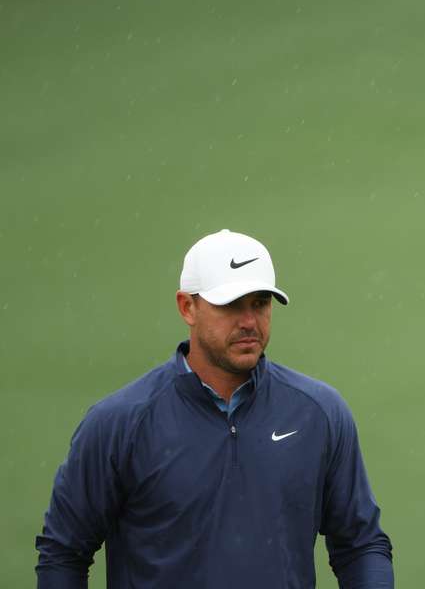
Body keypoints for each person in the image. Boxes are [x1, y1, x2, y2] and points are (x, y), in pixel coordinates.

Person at [36, 229, 393, 588]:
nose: (249, 322)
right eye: (231, 305)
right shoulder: (119, 423)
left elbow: (361, 546)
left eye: (260, 303)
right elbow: (63, 553)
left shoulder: (319, 414)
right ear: (187, 307)